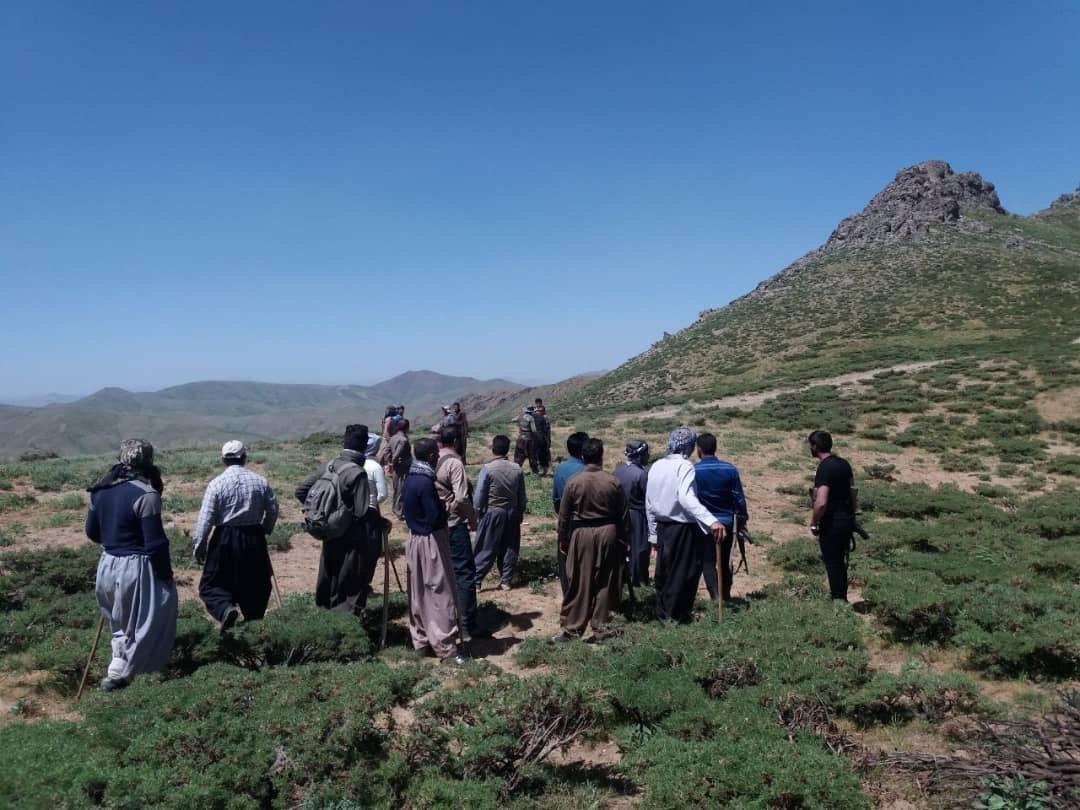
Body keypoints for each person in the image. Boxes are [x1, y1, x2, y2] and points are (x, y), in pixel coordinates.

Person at [85, 438, 177, 691]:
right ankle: (133, 677)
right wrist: (165, 575)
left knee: (118, 623)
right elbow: (155, 542)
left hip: (107, 563)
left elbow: (92, 533)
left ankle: (116, 671)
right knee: (145, 623)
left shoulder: (100, 490)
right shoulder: (146, 494)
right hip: (136, 567)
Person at [192, 440, 279, 631]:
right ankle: (254, 625)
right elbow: (273, 509)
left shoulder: (216, 484)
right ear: (244, 458)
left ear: (223, 460)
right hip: (254, 536)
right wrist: (263, 530)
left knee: (212, 584)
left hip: (224, 537)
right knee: (256, 584)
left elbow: (205, 519)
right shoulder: (260, 481)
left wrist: (200, 545)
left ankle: (224, 610)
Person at [645, 426, 724, 622]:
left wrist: (653, 533)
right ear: (689, 446)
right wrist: (711, 520)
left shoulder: (656, 465)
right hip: (682, 529)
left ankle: (663, 615)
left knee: (664, 573)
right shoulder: (685, 466)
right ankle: (677, 617)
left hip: (663, 528)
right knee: (684, 574)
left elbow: (649, 502)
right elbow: (686, 497)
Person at [554, 438, 630, 641]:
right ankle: (604, 629)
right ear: (601, 455)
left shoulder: (574, 482)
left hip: (582, 534)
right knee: (607, 582)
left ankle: (572, 629)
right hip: (608, 532)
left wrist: (563, 539)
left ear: (582, 456)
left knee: (580, 581)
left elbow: (564, 516)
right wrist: (624, 539)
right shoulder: (613, 481)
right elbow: (624, 515)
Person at [295, 425, 373, 613]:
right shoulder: (357, 473)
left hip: (327, 530)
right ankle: (342, 624)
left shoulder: (329, 465)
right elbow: (362, 512)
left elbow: (301, 491)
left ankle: (322, 616)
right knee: (347, 583)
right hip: (349, 536)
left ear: (344, 443)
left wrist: (321, 512)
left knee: (327, 575)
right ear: (364, 446)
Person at [402, 437, 466, 663]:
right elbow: (434, 516)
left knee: (418, 592)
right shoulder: (426, 482)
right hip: (431, 542)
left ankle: (420, 641)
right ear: (430, 456)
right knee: (441, 593)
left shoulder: (409, 478)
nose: (438, 457)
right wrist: (446, 507)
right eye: (435, 455)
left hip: (414, 540)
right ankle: (447, 649)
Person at [434, 425, 480, 638]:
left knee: (441, 574)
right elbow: (461, 497)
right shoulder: (454, 463)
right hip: (454, 524)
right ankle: (466, 625)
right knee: (464, 574)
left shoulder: (430, 458)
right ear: (456, 442)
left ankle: (445, 620)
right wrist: (472, 520)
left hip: (435, 527)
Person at [693, 433, 748, 603]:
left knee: (708, 561)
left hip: (704, 524)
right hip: (727, 522)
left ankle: (715, 597)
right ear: (715, 448)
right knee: (725, 560)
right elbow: (738, 497)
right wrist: (743, 518)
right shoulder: (729, 469)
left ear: (699, 449)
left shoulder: (694, 470)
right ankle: (726, 594)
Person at [472, 435, 527, 590]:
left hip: (493, 512)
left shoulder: (488, 469)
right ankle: (506, 580)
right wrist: (520, 512)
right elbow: (522, 496)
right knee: (510, 546)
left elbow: (479, 496)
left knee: (486, 546)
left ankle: (476, 580)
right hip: (511, 512)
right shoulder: (517, 469)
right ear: (507, 449)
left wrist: (477, 514)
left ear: (493, 449)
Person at [808, 430, 855, 601]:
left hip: (832, 521)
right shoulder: (844, 464)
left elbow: (821, 502)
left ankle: (838, 601)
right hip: (847, 519)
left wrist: (814, 522)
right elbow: (853, 492)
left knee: (833, 563)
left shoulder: (825, 467)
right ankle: (841, 597)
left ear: (814, 446)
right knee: (840, 562)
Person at [551, 431, 589, 593]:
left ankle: (567, 592)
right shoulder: (587, 470)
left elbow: (555, 499)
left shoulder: (560, 469)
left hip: (566, 520)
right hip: (585, 520)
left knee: (564, 557)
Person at [614, 440, 651, 586]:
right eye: (646, 453)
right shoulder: (642, 475)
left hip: (619, 514)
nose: (648, 456)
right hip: (637, 515)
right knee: (639, 548)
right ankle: (638, 579)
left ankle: (624, 577)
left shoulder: (617, 471)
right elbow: (648, 498)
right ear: (640, 456)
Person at [362, 433, 390, 593]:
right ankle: (365, 583)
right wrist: (372, 503)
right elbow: (383, 494)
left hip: (353, 512)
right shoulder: (374, 467)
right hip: (371, 510)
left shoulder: (353, 464)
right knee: (373, 547)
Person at [384, 418, 412, 520]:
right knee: (402, 488)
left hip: (396, 467)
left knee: (396, 488)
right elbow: (397, 453)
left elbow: (387, 451)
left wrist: (388, 462)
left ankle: (394, 508)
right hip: (403, 466)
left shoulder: (393, 437)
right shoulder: (403, 440)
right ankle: (399, 511)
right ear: (406, 427)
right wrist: (392, 462)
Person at [512, 405, 540, 474]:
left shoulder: (520, 417)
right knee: (532, 456)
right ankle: (535, 472)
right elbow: (534, 430)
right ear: (531, 412)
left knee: (518, 456)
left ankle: (515, 471)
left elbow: (513, 420)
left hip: (520, 439)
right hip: (529, 440)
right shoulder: (531, 418)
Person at [532, 401, 551, 475]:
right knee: (538, 454)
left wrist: (548, 440)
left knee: (543, 453)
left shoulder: (545, 418)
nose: (538, 411)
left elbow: (547, 430)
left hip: (542, 438)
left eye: (540, 410)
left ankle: (544, 468)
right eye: (537, 409)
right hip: (538, 438)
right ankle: (541, 468)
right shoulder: (535, 417)